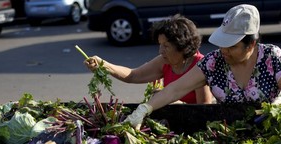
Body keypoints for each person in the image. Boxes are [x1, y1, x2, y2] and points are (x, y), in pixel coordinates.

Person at [125, 4, 281, 129]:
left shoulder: (271, 56)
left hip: (270, 134)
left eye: (232, 47)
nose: (224, 51)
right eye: (222, 44)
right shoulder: (213, 63)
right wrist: (144, 109)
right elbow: (175, 90)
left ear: (251, 44)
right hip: (228, 136)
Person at [84, 14, 213, 104]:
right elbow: (133, 75)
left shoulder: (199, 66)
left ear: (183, 47)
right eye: (160, 45)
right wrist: (104, 65)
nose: (160, 51)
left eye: (166, 46)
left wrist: (174, 102)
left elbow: (205, 107)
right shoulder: (165, 61)